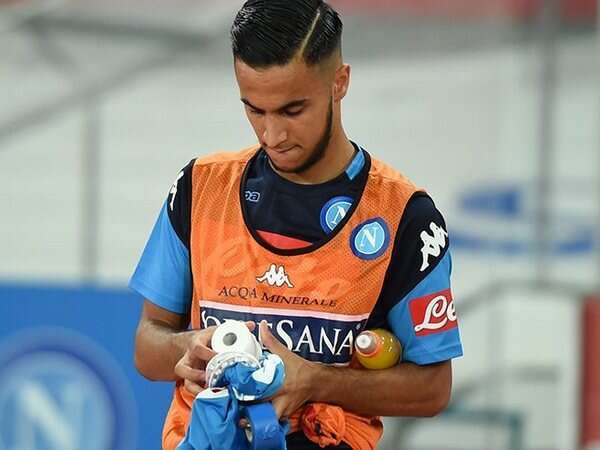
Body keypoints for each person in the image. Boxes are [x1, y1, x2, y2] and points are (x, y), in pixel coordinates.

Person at [130, 0, 463, 449]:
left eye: (292, 110)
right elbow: (147, 344)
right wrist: (187, 349)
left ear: (339, 82)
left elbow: (433, 388)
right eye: (254, 110)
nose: (272, 135)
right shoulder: (199, 188)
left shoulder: (404, 217)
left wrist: (315, 381)